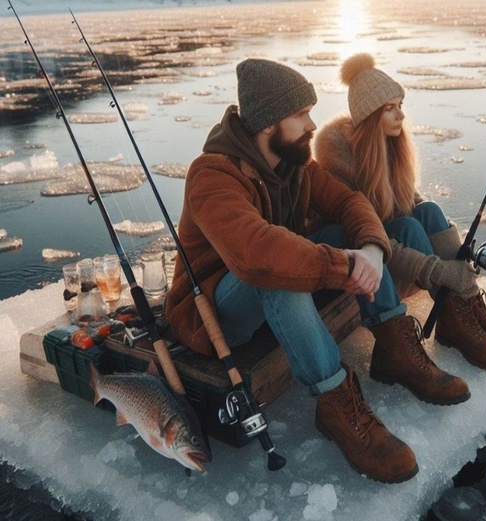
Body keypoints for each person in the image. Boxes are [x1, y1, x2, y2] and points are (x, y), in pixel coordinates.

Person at [165, 58, 467, 484]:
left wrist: (371, 248)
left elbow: (349, 202)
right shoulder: (212, 175)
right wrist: (344, 264)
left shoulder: (296, 164)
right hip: (215, 312)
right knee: (273, 273)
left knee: (389, 227)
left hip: (276, 283)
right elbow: (257, 252)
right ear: (269, 123)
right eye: (300, 114)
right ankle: (336, 405)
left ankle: (394, 346)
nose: (312, 124)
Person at [313, 52, 486, 373]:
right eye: (389, 109)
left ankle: (464, 306)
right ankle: (454, 315)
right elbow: (375, 240)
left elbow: (415, 205)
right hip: (363, 268)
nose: (401, 116)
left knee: (428, 209)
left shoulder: (387, 147)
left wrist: (459, 269)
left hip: (395, 259)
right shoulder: (339, 165)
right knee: (408, 224)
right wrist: (444, 272)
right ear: (369, 116)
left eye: (400, 105)